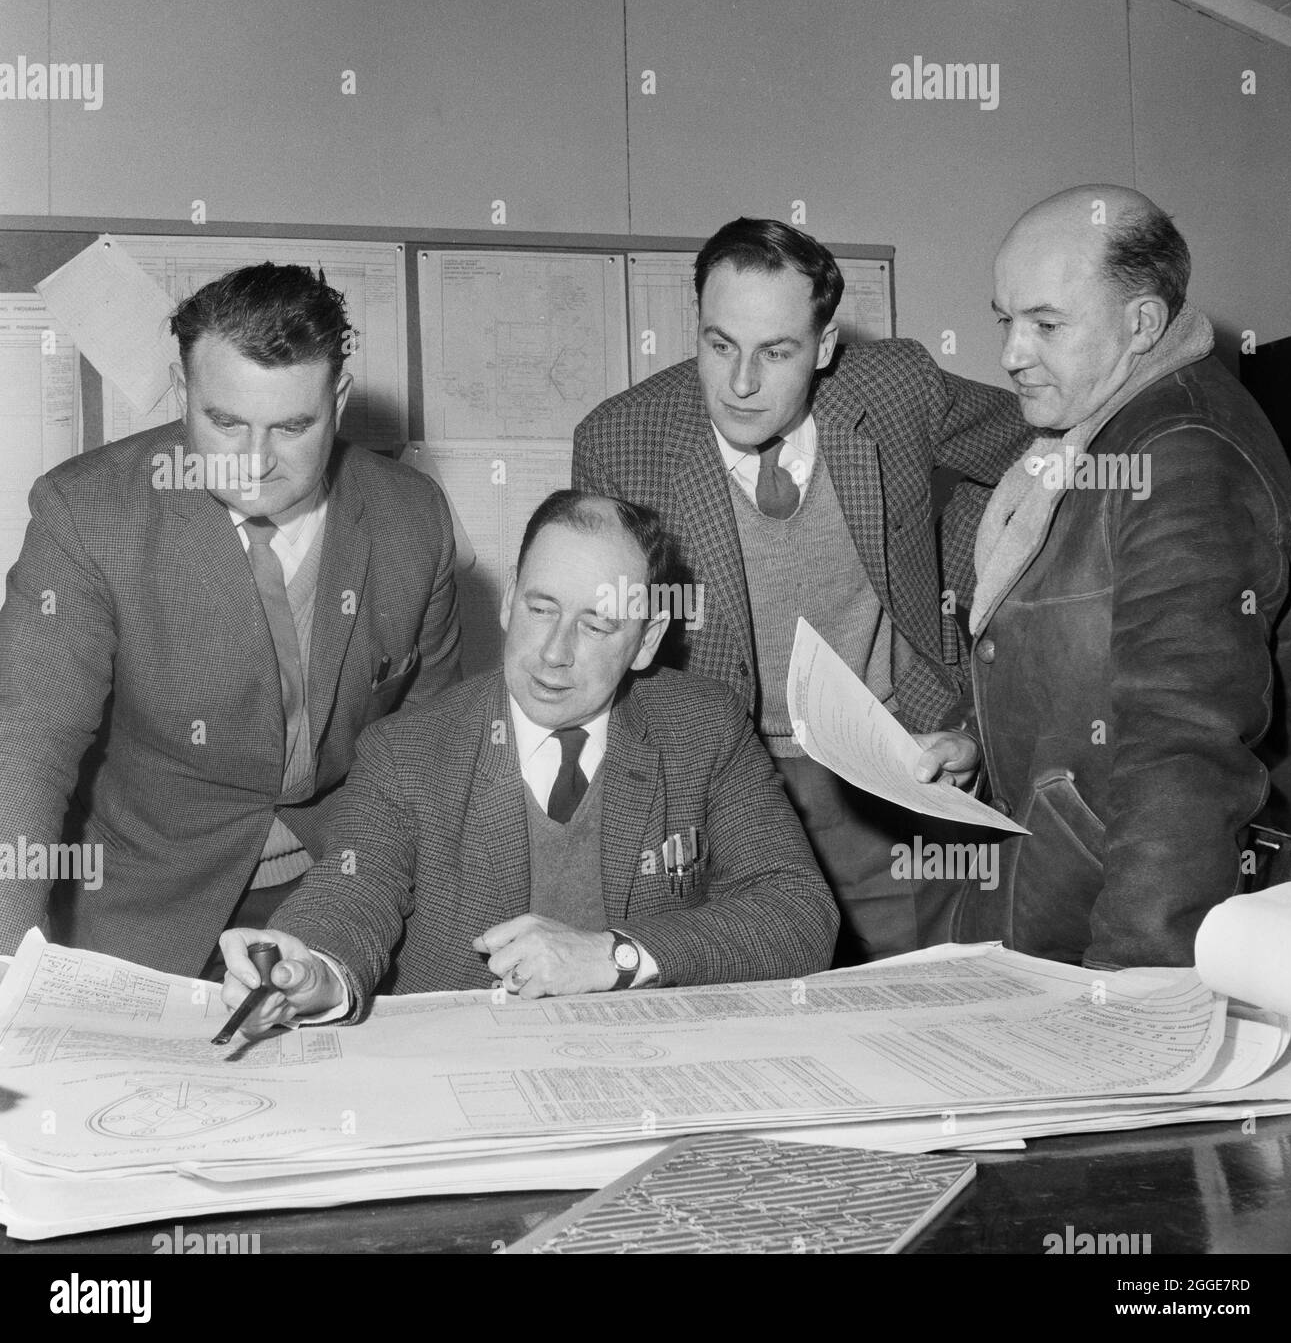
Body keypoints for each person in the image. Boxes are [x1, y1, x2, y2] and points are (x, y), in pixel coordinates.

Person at [572, 217, 1033, 962]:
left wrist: (961, 562)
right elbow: (610, 656)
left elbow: (1036, 441)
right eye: (719, 345)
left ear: (823, 348)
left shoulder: (896, 390)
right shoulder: (621, 442)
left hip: (888, 766)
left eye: (775, 352)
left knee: (906, 1005)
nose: (741, 383)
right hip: (722, 777)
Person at [217, 492, 838, 1025]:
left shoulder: (701, 727)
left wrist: (615, 956)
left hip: (650, 1060)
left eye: (596, 626)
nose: (553, 653)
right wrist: (311, 966)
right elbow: (354, 890)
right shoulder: (406, 751)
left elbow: (801, 912)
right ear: (510, 598)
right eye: (541, 609)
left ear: (646, 641)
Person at [0, 263, 461, 976]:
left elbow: (434, 751)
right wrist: (8, 966)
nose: (254, 463)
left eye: (292, 427)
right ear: (184, 393)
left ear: (337, 399)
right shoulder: (87, 515)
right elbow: (27, 745)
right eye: (225, 422)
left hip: (343, 897)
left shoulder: (412, 518)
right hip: (144, 904)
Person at [928, 184, 1291, 968]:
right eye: (1006, 319)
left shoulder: (1182, 452)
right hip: (1055, 895)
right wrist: (976, 735)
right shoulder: (1098, 432)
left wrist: (1134, 987)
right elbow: (1069, 642)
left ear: (1141, 324)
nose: (1009, 354)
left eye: (1046, 325)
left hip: (1114, 927)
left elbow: (1185, 746)